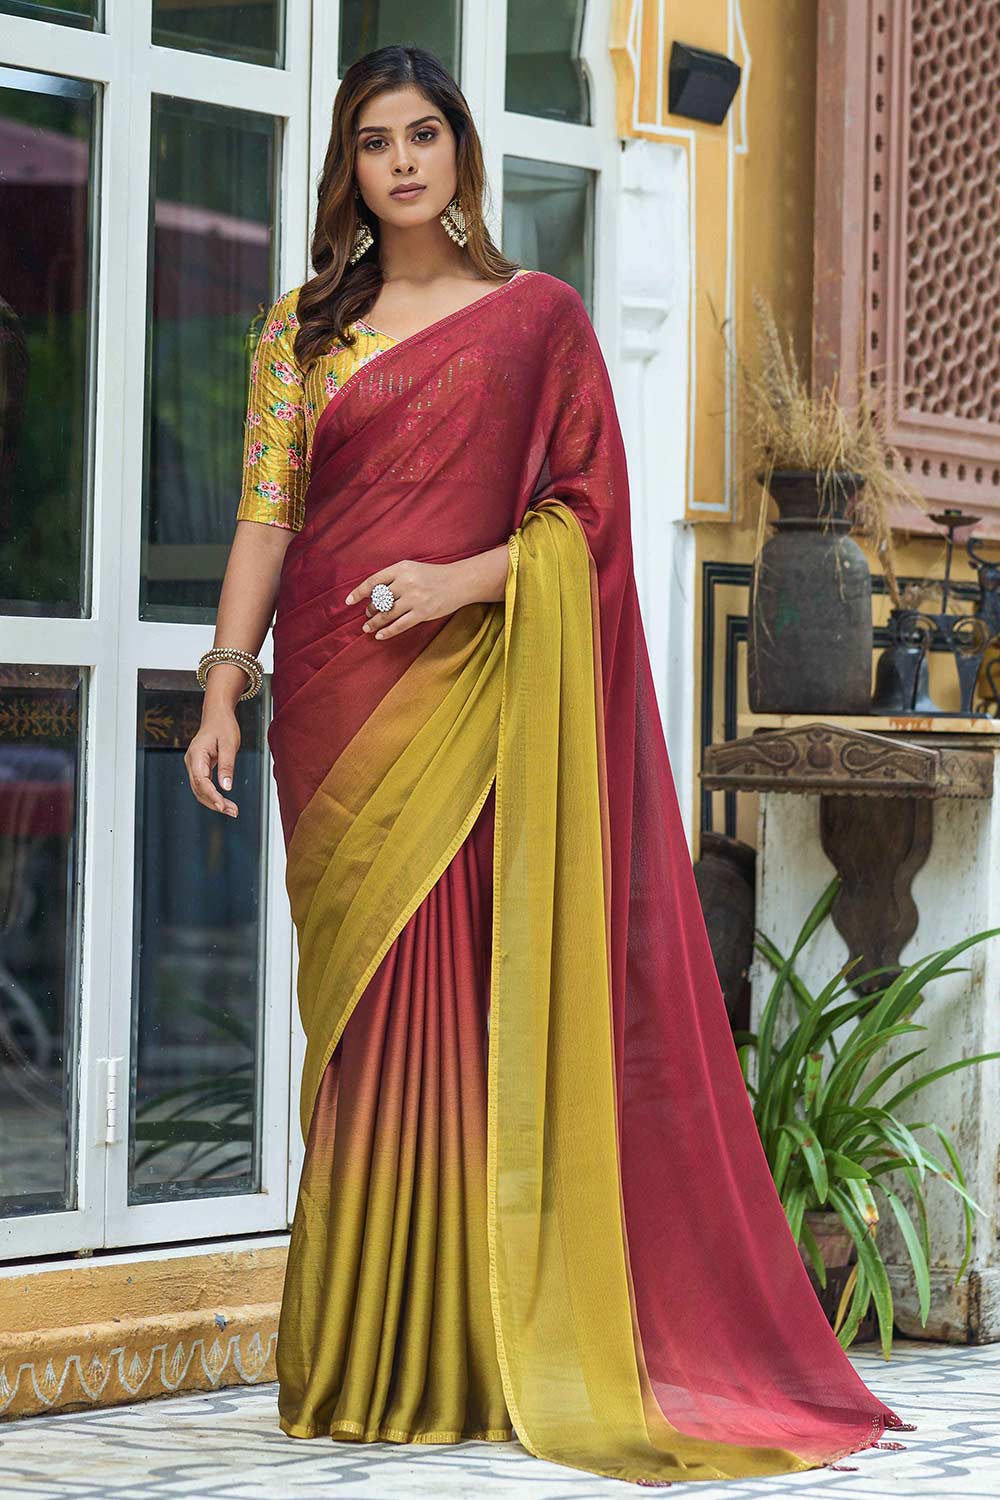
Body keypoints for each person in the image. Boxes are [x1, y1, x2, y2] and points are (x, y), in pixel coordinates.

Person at [185, 43, 912, 1489]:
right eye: (375, 142)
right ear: (347, 168)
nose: (402, 163)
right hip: (335, 704)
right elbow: (269, 515)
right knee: (365, 1019)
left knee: (459, 1002)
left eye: (423, 135)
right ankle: (366, 1355)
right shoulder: (300, 335)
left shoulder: (537, 322)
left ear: (461, 151)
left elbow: (586, 520)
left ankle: (463, 1347)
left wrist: (459, 585)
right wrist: (223, 681)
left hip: (470, 688)